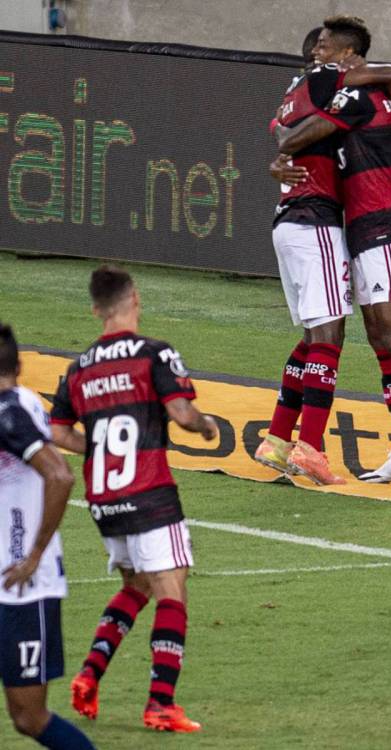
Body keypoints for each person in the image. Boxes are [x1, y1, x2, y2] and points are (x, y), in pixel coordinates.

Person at [276, 15, 391, 486]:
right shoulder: (354, 88)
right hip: (361, 226)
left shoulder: (357, 94)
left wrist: (282, 153)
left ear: (348, 54)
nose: (317, 53)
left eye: (325, 46)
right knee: (380, 339)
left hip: (387, 223)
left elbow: (295, 136)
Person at [49, 266, 218, 733]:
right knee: (171, 591)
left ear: (96, 310)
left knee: (136, 587)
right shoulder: (153, 353)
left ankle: (89, 674)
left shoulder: (79, 367)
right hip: (150, 494)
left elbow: (59, 431)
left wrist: (97, 447)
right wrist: (206, 426)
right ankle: (161, 702)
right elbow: (182, 416)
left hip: (105, 501)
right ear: (135, 300)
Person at [255, 22, 391, 486]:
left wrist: (281, 157)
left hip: (287, 222)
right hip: (315, 221)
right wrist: (363, 70)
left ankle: (278, 441)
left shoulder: (290, 98)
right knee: (328, 339)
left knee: (310, 338)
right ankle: (313, 448)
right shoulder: (326, 80)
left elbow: (285, 139)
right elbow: (390, 75)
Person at [0, 324, 96, 749]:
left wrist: (34, 554)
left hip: (22, 587)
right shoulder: (22, 401)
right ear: (19, 365)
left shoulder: (9, 413)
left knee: (29, 716)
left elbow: (59, 475)